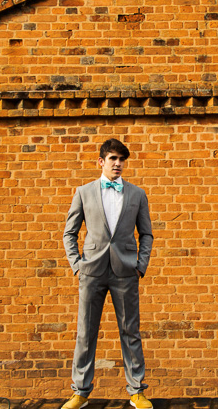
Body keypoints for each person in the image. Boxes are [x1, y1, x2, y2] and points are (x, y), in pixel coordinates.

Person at [62, 138, 154, 409]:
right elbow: (69, 232)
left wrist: (140, 264)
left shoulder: (137, 194)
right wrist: (77, 265)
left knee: (130, 332)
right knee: (85, 332)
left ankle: (136, 390)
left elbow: (147, 234)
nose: (118, 164)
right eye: (113, 158)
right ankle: (80, 391)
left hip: (126, 271)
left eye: (121, 159)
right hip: (92, 271)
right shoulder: (84, 192)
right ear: (101, 162)